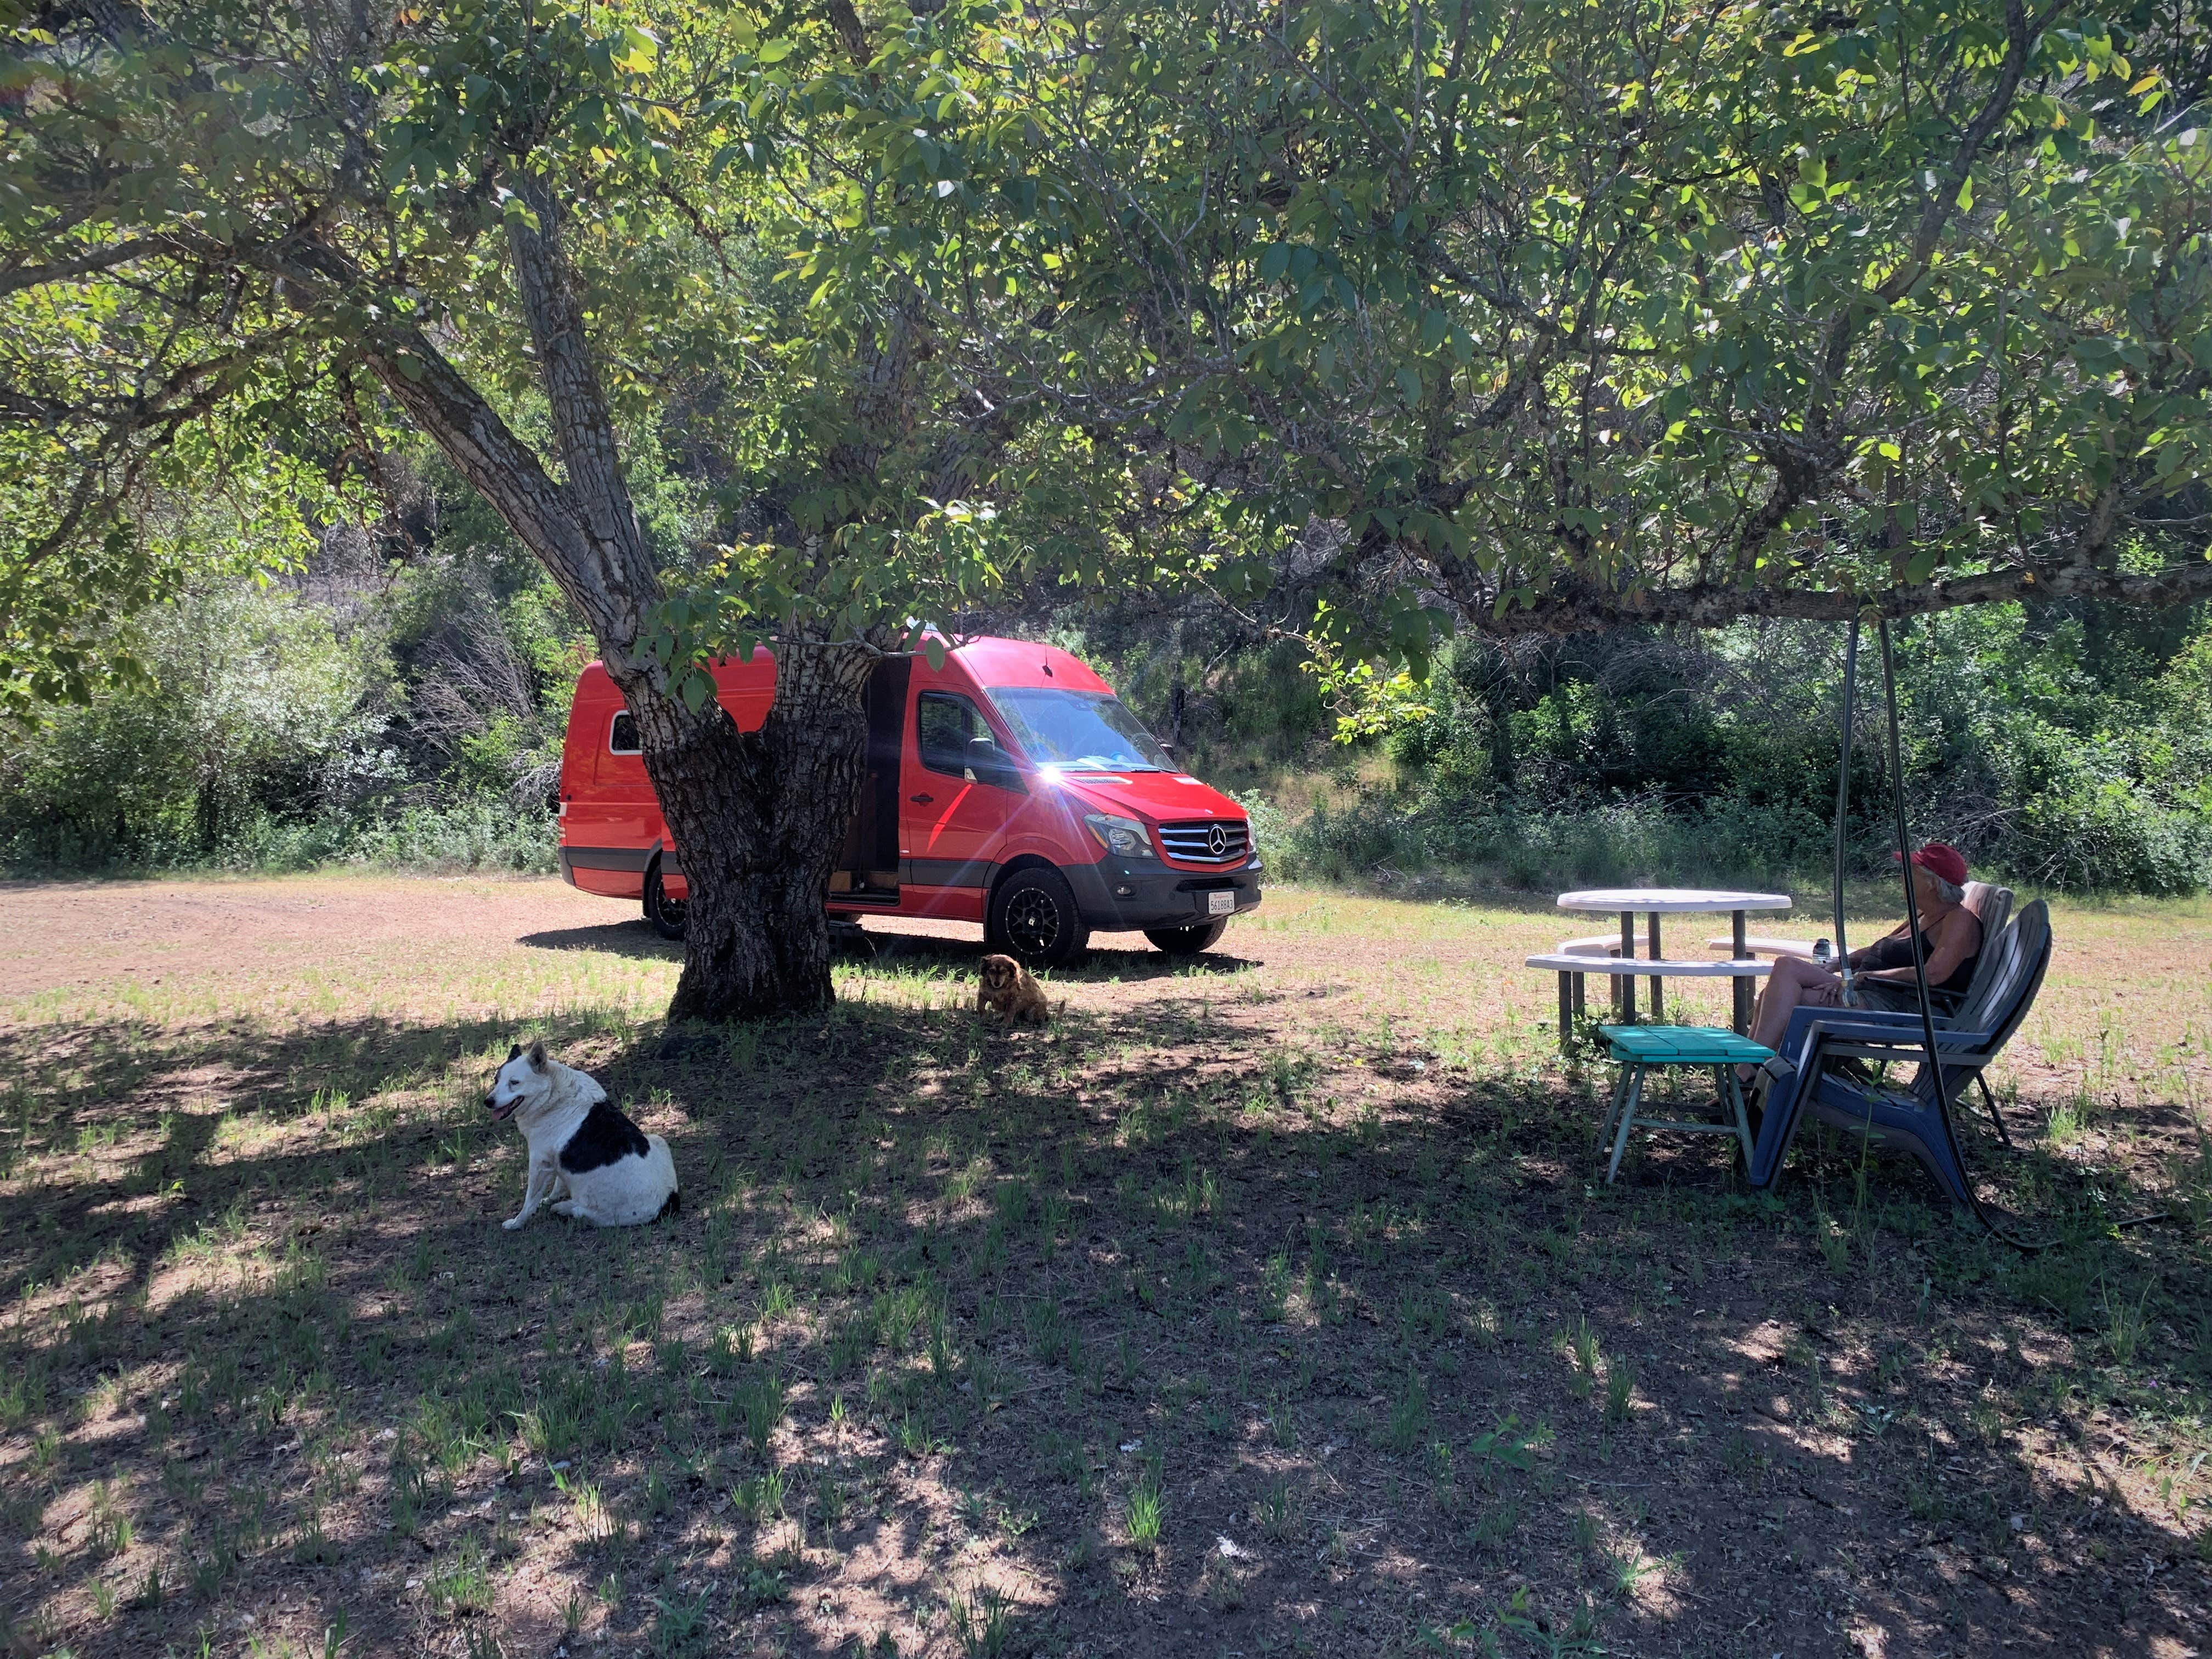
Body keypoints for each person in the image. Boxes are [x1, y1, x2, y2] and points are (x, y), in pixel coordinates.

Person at [1740, 842, 1983, 1079]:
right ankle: (1750, 1067)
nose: (1902, 877)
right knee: (1785, 966)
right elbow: (1880, 949)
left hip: (1901, 1005)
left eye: (1911, 872)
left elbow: (1933, 974)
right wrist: (1839, 964)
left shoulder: (1958, 920)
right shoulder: (1923, 914)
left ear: (1932, 883)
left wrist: (1864, 977)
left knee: (1790, 1001)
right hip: (1870, 989)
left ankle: (1754, 1074)